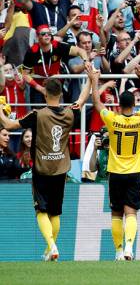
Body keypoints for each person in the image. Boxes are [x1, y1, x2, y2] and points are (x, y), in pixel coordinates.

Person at [0, 77, 91, 261]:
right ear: (61, 93)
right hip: (61, 168)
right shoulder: (69, 113)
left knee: (41, 211)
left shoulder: (37, 115)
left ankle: (52, 246)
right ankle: (50, 249)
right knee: (55, 212)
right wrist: (91, 79)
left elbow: (9, 125)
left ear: (45, 93)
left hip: (42, 169)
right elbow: (82, 99)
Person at [89, 66, 140, 261]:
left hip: (116, 172)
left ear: (118, 104)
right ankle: (129, 247)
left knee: (116, 213)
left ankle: (118, 251)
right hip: (135, 172)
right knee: (131, 212)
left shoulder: (113, 119)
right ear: (134, 104)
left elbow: (97, 103)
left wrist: (94, 80)